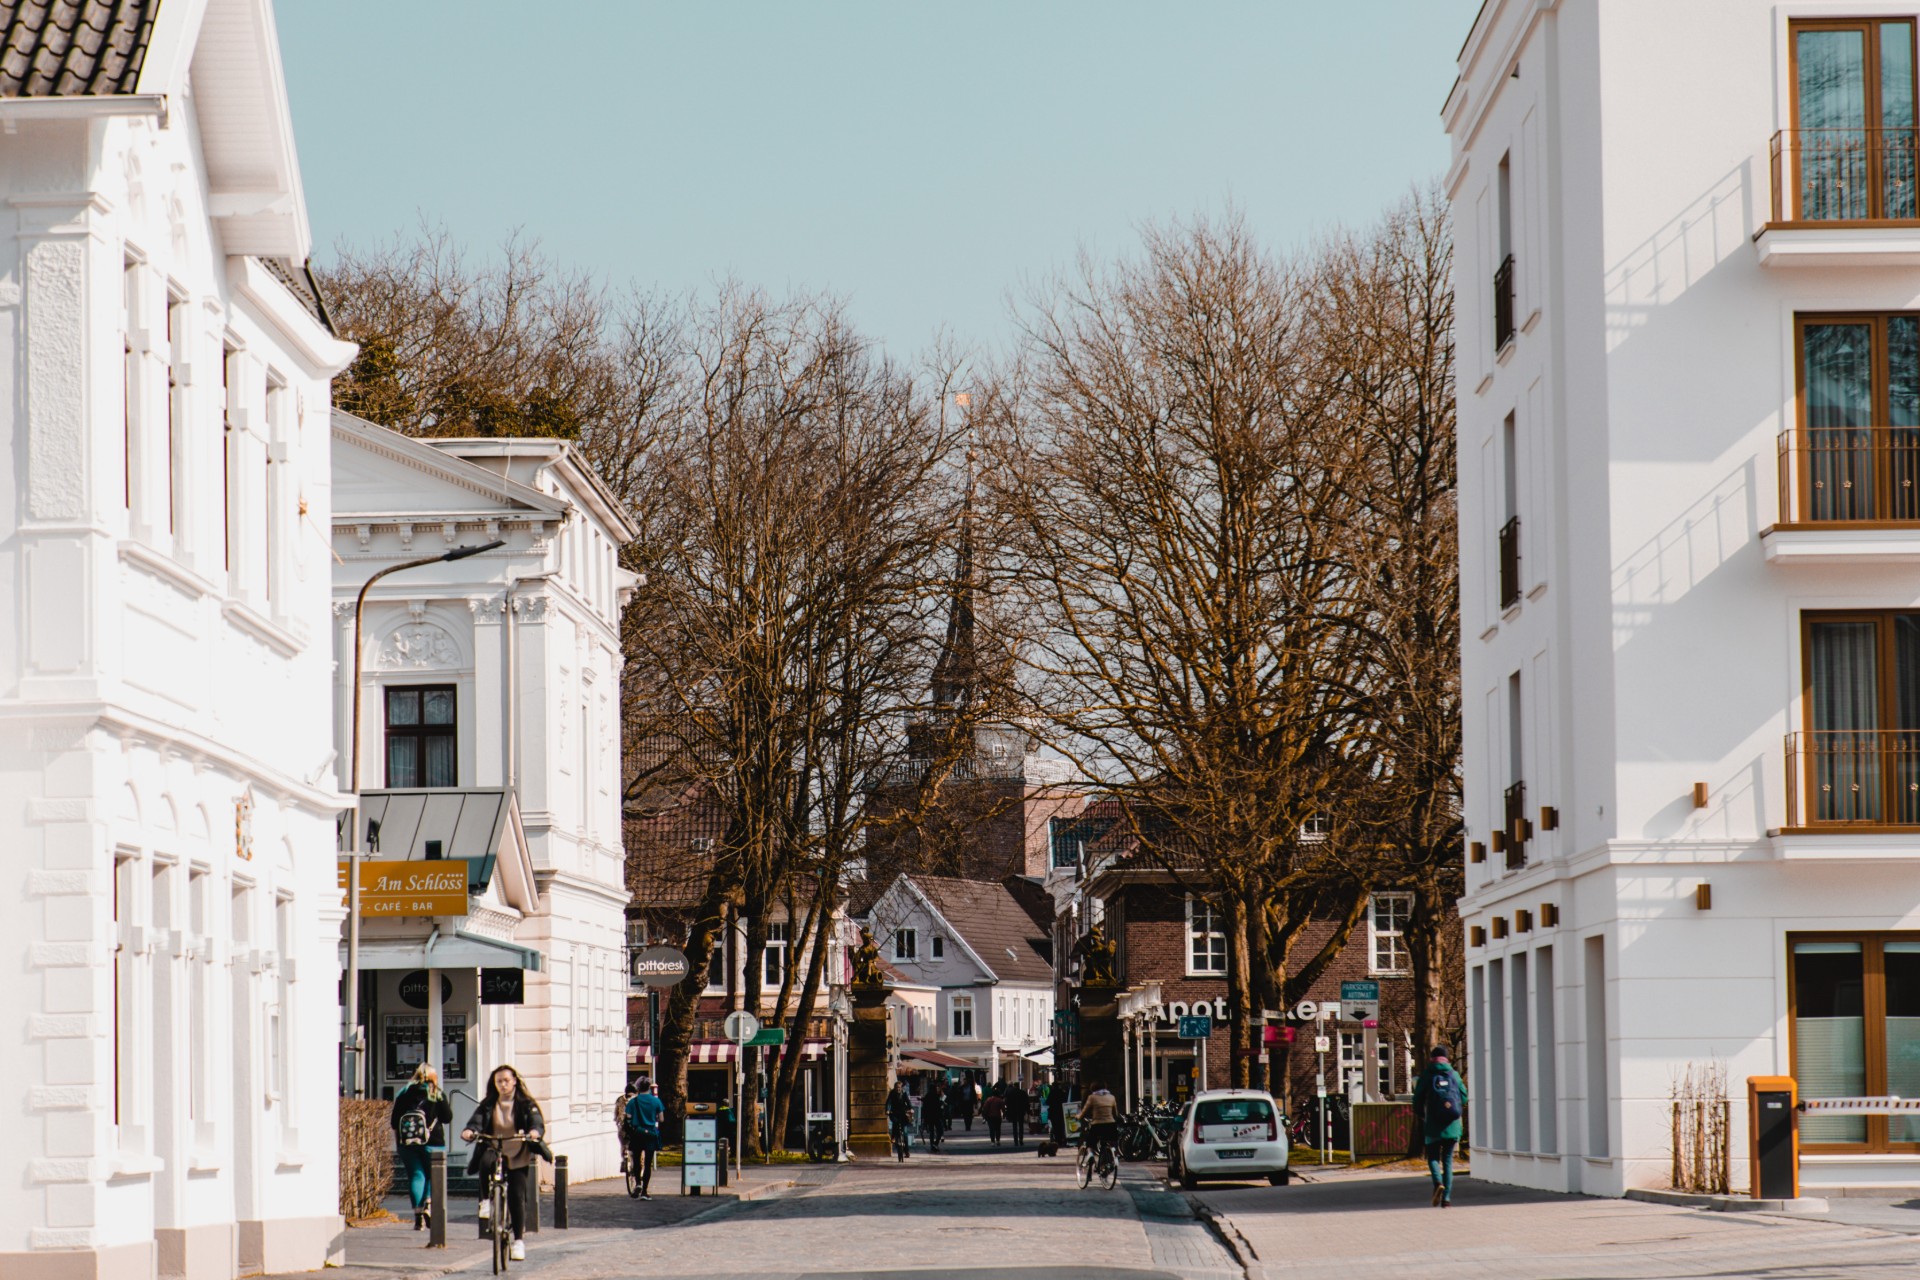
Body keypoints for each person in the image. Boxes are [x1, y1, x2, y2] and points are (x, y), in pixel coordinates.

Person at [462, 1065, 547, 1261]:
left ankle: (518, 1241)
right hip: (495, 1146)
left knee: (517, 1196)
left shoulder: (525, 1103)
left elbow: (536, 1120)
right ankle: (485, 1201)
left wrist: (534, 1132)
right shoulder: (489, 1103)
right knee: (485, 1161)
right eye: (499, 1081)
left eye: (506, 1080)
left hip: (517, 1150)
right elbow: (477, 1120)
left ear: (514, 1081)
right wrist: (470, 1130)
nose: (503, 1085)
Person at [389, 1064, 454, 1230]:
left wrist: (399, 1142)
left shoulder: (404, 1093)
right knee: (433, 1174)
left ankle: (418, 1215)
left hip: (407, 1143)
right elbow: (447, 1117)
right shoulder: (436, 1093)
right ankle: (428, 1204)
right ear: (433, 1077)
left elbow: (394, 1121)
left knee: (416, 1175)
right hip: (433, 1141)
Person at [1411, 1045, 1467, 1208]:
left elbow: (1417, 1099)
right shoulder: (1454, 1074)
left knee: (1433, 1157)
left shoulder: (1427, 1075)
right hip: (1452, 1123)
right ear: (1446, 1058)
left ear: (1432, 1059)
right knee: (1448, 1160)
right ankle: (1447, 1199)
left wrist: (1421, 1114)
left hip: (1433, 1122)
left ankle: (1437, 1182)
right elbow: (1464, 1097)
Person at [624, 1077, 665, 1200]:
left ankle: (638, 1183)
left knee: (637, 1160)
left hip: (637, 1133)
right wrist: (652, 1118)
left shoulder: (633, 1102)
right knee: (648, 1163)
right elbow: (661, 1119)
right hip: (650, 1133)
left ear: (638, 1088)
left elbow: (628, 1117)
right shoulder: (656, 1101)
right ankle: (645, 1191)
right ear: (649, 1087)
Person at [1078, 1079, 1119, 1168]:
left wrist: (1078, 1116)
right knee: (1111, 1142)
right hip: (1111, 1125)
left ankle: (1090, 1154)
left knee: (1090, 1143)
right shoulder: (1112, 1097)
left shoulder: (1092, 1097)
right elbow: (1115, 1113)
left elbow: (1084, 1111)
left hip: (1097, 1124)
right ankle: (1113, 1155)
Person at [886, 1080, 915, 1157]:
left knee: (905, 1133)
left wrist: (911, 1109)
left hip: (903, 1113)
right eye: (897, 1087)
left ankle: (907, 1151)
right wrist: (888, 1110)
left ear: (901, 1088)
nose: (898, 1089)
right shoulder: (892, 1093)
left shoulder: (904, 1093)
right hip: (894, 1113)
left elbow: (908, 1102)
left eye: (899, 1087)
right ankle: (893, 1137)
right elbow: (888, 1102)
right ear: (894, 1088)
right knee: (895, 1122)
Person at [921, 1081, 947, 1151]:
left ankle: (932, 1145)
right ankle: (935, 1144)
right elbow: (939, 1103)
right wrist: (942, 1103)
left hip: (930, 1117)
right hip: (937, 1116)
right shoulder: (936, 1096)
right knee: (940, 1131)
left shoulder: (928, 1096)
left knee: (932, 1132)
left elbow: (924, 1104)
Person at [1006, 1080, 1031, 1149]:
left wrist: (1008, 1111)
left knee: (1014, 1126)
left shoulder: (1010, 1093)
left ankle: (1015, 1141)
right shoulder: (1022, 1092)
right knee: (1021, 1126)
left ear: (1014, 1086)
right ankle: (1021, 1140)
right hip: (1021, 1111)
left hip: (1013, 1111)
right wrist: (1028, 1111)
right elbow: (1026, 1102)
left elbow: (1007, 1102)